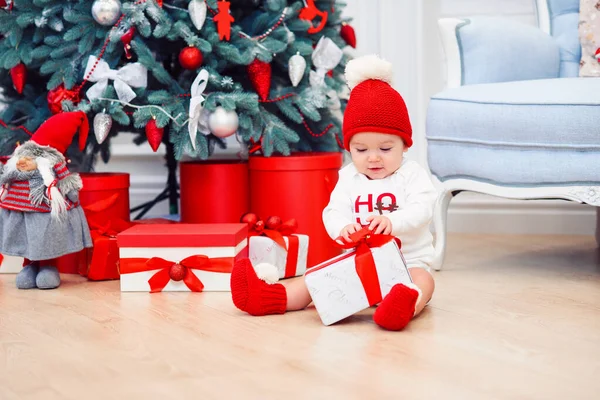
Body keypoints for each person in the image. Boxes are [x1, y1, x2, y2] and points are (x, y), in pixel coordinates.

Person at [230, 54, 438, 330]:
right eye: (361, 150)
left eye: (385, 149)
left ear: (405, 146)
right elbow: (334, 210)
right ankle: (270, 297)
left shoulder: (411, 175)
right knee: (314, 279)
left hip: (406, 261)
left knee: (423, 280)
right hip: (360, 259)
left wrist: (393, 222)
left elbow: (423, 208)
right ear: (349, 147)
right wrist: (343, 229)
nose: (373, 158)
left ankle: (403, 305)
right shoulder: (350, 177)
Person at [0, 111, 93, 290]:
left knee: (46, 235)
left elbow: (67, 182)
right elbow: (7, 176)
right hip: (22, 207)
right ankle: (30, 266)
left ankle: (48, 266)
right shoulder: (15, 167)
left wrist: (71, 194)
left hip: (46, 207)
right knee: (28, 235)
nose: (28, 160)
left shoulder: (53, 167)